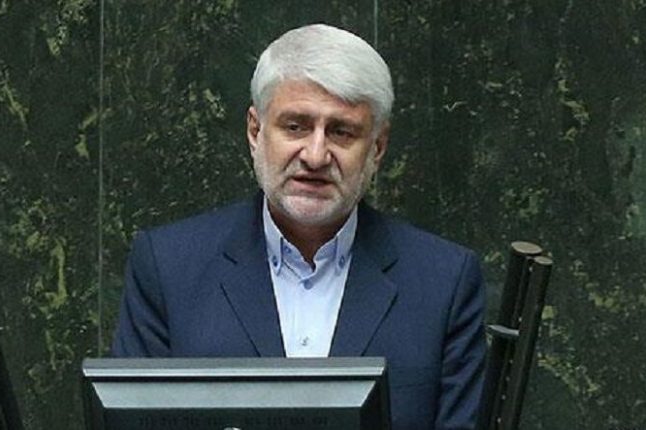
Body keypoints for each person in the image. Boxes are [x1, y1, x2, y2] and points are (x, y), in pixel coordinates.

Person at [112, 24, 486, 430]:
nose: (316, 155)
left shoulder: (444, 282)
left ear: (377, 148)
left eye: (341, 132)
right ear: (255, 131)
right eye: (295, 126)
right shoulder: (169, 269)